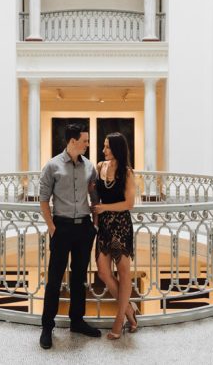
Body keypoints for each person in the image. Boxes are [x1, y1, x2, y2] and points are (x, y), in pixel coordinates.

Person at [38, 123, 101, 350]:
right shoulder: (52, 166)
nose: (87, 143)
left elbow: (95, 197)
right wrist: (52, 228)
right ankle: (47, 326)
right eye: (84, 140)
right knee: (54, 279)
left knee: (79, 277)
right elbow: (43, 200)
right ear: (73, 141)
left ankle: (77, 321)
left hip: (84, 228)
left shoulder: (89, 167)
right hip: (61, 228)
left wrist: (94, 225)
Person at [92, 132, 137, 340]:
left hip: (121, 226)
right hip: (104, 227)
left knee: (124, 273)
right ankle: (129, 309)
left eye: (108, 147)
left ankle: (120, 319)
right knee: (102, 272)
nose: (104, 150)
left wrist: (104, 208)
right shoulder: (100, 167)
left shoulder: (127, 172)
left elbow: (129, 204)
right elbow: (94, 192)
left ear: (117, 149)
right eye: (104, 146)